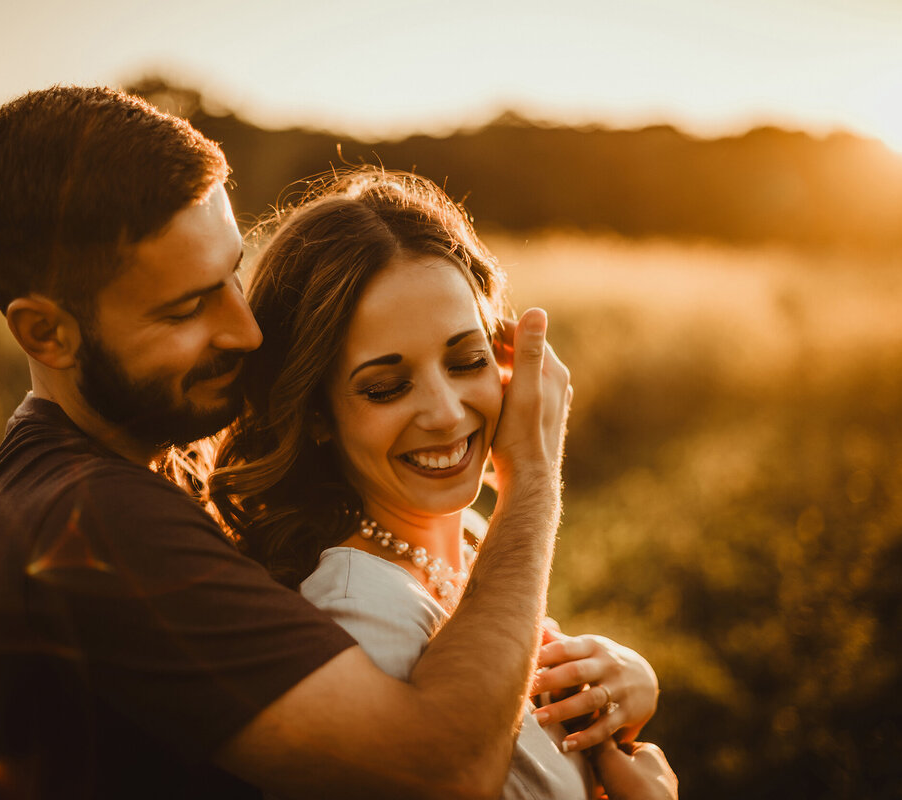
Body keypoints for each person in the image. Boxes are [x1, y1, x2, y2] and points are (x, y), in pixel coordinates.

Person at [0, 84, 659, 799]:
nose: (246, 332)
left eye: (232, 276)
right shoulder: (91, 523)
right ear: (46, 332)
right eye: (189, 307)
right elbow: (441, 772)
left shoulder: (117, 472)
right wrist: (533, 479)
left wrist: (616, 681)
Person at [210, 169, 677, 799]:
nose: (447, 412)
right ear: (315, 414)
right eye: (385, 386)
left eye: (467, 361)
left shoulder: (477, 539)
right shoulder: (360, 606)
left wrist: (622, 685)